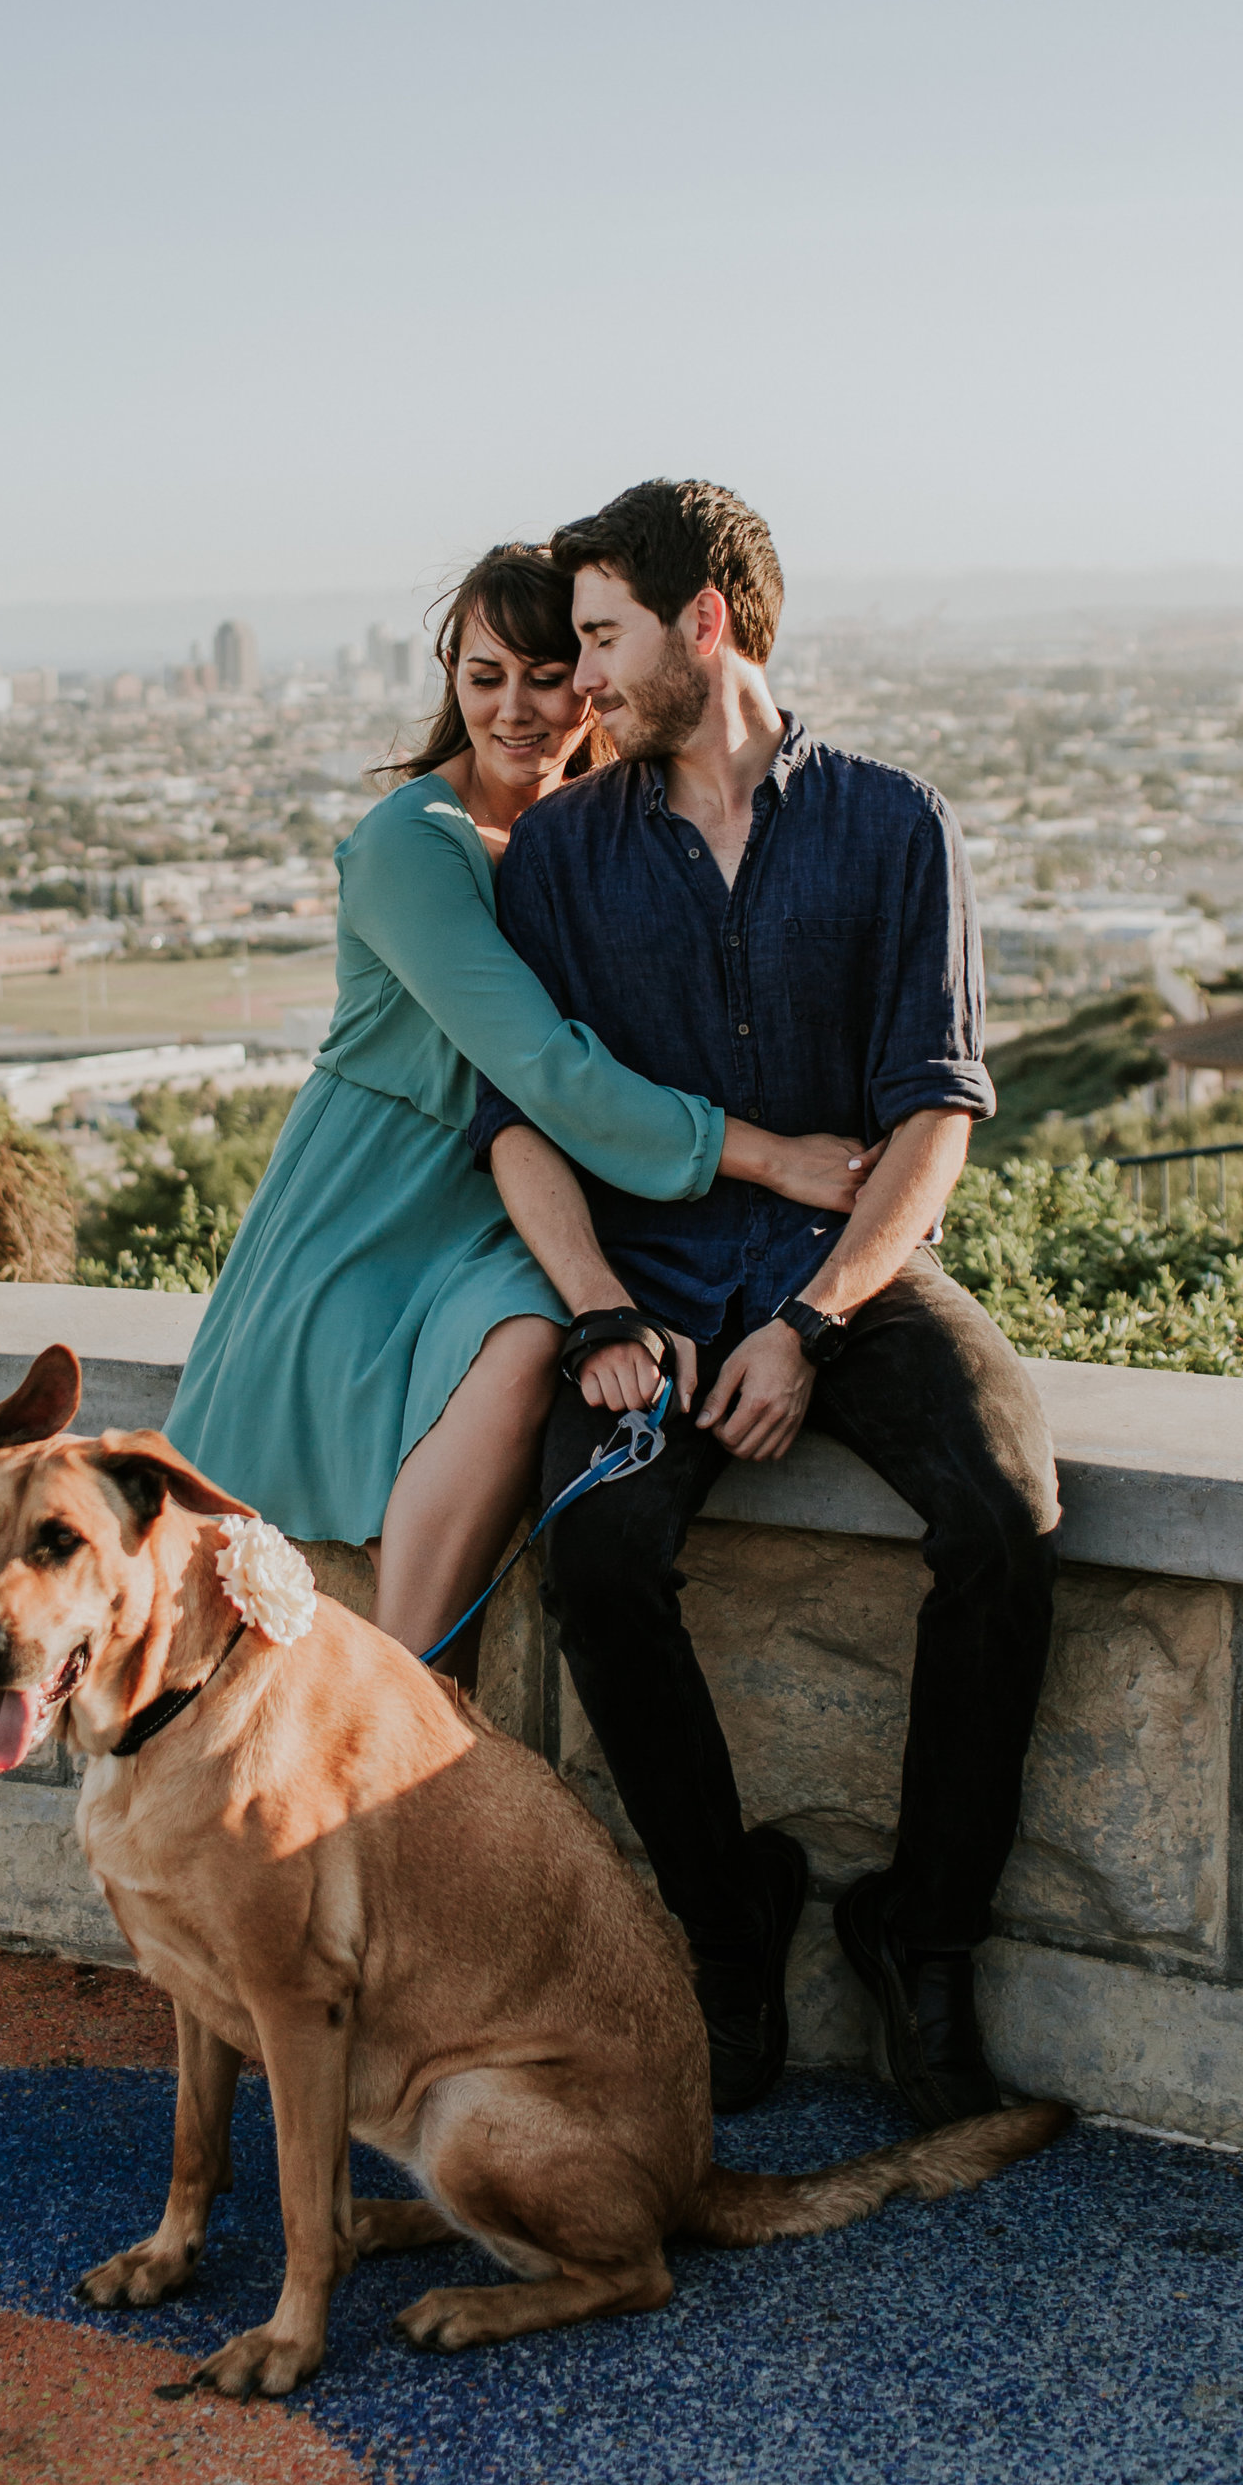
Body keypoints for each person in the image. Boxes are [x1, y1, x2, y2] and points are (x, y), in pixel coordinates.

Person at [470, 478, 1060, 2125]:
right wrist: (597, 1311)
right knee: (596, 1552)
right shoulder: (563, 860)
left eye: (600, 638)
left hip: (854, 1278)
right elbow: (516, 1121)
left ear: (703, 622)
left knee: (1005, 1515)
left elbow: (933, 1115)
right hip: (649, 1288)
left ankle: (918, 1939)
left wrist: (811, 1324)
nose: (579, 680)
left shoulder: (894, 825)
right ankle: (730, 1935)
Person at [161, 543, 875, 1674]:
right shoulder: (415, 842)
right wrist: (777, 1162)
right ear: (449, 676)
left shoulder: (609, 834)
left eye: (546, 673)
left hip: (525, 1203)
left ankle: (404, 1694)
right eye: (483, 675)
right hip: (384, 1197)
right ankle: (395, 1719)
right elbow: (543, 1067)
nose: (516, 708)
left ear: (592, 680)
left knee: (533, 1338)